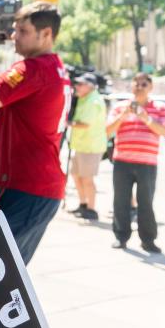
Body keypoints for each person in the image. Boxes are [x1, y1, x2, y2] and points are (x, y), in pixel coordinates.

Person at [0, 2, 70, 265]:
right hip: (36, 187)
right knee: (1, 276)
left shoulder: (32, 69)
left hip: (28, 188)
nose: (14, 36)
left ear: (46, 34)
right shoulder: (54, 67)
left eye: (23, 31)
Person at [106, 72, 165, 253]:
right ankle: (121, 236)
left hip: (147, 163)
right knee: (120, 201)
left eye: (143, 84)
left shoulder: (159, 107)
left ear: (150, 87)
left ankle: (148, 240)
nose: (139, 87)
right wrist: (123, 116)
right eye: (136, 84)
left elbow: (164, 131)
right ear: (131, 86)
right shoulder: (120, 107)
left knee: (146, 202)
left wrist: (146, 118)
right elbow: (107, 131)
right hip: (122, 161)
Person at [68, 73, 107, 220]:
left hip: (90, 146)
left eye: (80, 84)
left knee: (87, 179)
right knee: (77, 175)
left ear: (90, 86)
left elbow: (85, 124)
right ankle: (83, 204)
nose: (77, 86)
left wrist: (68, 123)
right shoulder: (84, 98)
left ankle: (91, 209)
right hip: (81, 145)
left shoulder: (93, 101)